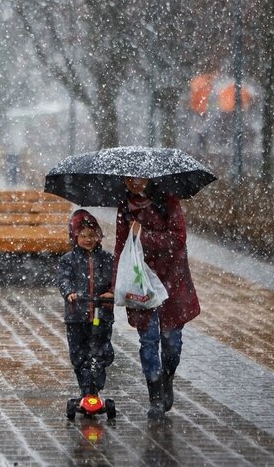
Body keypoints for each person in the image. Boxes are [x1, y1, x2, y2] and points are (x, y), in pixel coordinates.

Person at [114, 177, 201, 420]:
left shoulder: (168, 202)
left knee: (172, 344)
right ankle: (155, 397)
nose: (133, 182)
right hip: (141, 283)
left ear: (149, 177)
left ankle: (167, 377)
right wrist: (114, 286)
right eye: (127, 177)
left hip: (172, 282)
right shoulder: (125, 208)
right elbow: (121, 248)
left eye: (138, 176)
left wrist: (144, 236)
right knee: (149, 341)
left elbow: (178, 239)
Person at [57, 209, 115, 400]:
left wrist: (111, 292)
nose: (88, 239)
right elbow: (63, 279)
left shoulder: (107, 259)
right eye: (83, 236)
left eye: (92, 235)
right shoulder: (68, 260)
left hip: (101, 314)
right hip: (77, 315)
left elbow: (115, 279)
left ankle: (97, 379)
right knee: (78, 352)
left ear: (98, 236)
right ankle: (85, 387)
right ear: (75, 237)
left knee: (100, 349)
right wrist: (70, 293)